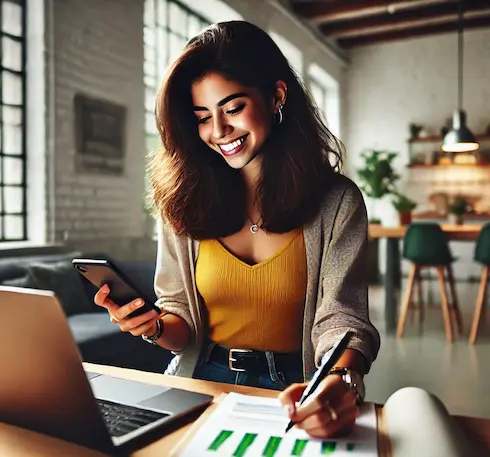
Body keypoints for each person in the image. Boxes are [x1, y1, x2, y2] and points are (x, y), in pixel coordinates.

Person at [94, 20, 380, 439]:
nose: (218, 131)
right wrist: (152, 326)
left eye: (232, 108)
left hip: (295, 388)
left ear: (277, 96)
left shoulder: (336, 202)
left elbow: (343, 318)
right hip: (198, 383)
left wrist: (338, 382)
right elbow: (180, 320)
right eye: (202, 117)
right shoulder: (183, 200)